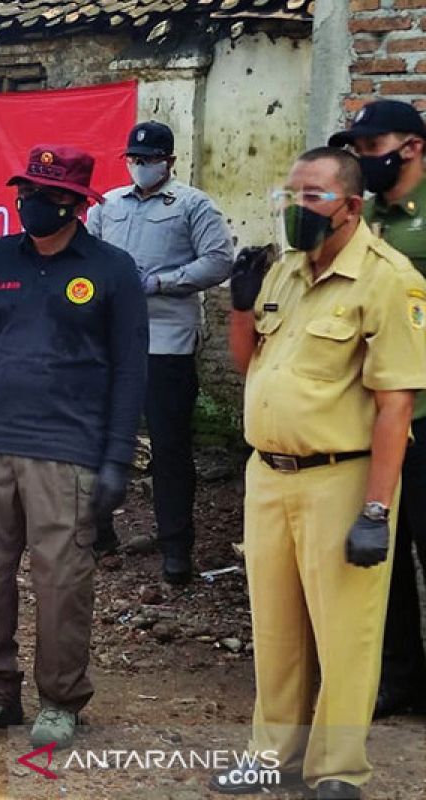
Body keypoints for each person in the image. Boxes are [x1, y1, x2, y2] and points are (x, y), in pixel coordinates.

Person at [213, 148, 426, 799]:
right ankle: (271, 753)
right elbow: (250, 366)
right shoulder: (283, 272)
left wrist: (376, 511)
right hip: (268, 475)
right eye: (290, 195)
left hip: (340, 476)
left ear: (350, 207)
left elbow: (395, 405)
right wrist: (242, 307)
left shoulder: (390, 279)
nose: (293, 208)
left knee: (345, 634)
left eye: (311, 197)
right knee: (276, 628)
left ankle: (338, 768)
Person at [0, 145, 148, 747]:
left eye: (49, 197)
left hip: (70, 452)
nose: (33, 205)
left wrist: (116, 460)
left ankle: (61, 700)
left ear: (74, 205)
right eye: (27, 193)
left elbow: (130, 372)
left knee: (61, 583)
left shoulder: (112, 270)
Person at [86, 121, 234, 584]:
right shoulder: (108, 205)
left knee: (170, 447)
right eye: (134, 158)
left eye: (150, 160)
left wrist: (162, 282)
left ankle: (176, 548)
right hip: (109, 341)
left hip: (166, 341)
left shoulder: (192, 204)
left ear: (169, 162)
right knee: (97, 437)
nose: (141, 166)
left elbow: (220, 260)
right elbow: (85, 254)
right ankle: (99, 532)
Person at [329, 99, 426, 719]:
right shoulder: (365, 220)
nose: (364, 158)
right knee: (379, 554)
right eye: (358, 149)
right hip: (368, 415)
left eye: (372, 145)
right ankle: (400, 679)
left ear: (412, 146)